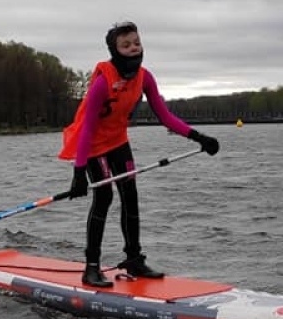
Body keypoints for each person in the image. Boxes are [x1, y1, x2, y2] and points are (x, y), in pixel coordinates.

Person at [58, 21, 220, 288]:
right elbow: (86, 128)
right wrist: (78, 172)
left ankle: (133, 259)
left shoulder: (145, 78)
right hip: (94, 145)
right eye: (126, 45)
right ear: (115, 51)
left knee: (130, 196)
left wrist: (199, 137)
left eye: (137, 43)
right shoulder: (102, 82)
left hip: (118, 141)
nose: (134, 48)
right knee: (104, 197)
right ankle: (91, 267)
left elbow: (165, 117)